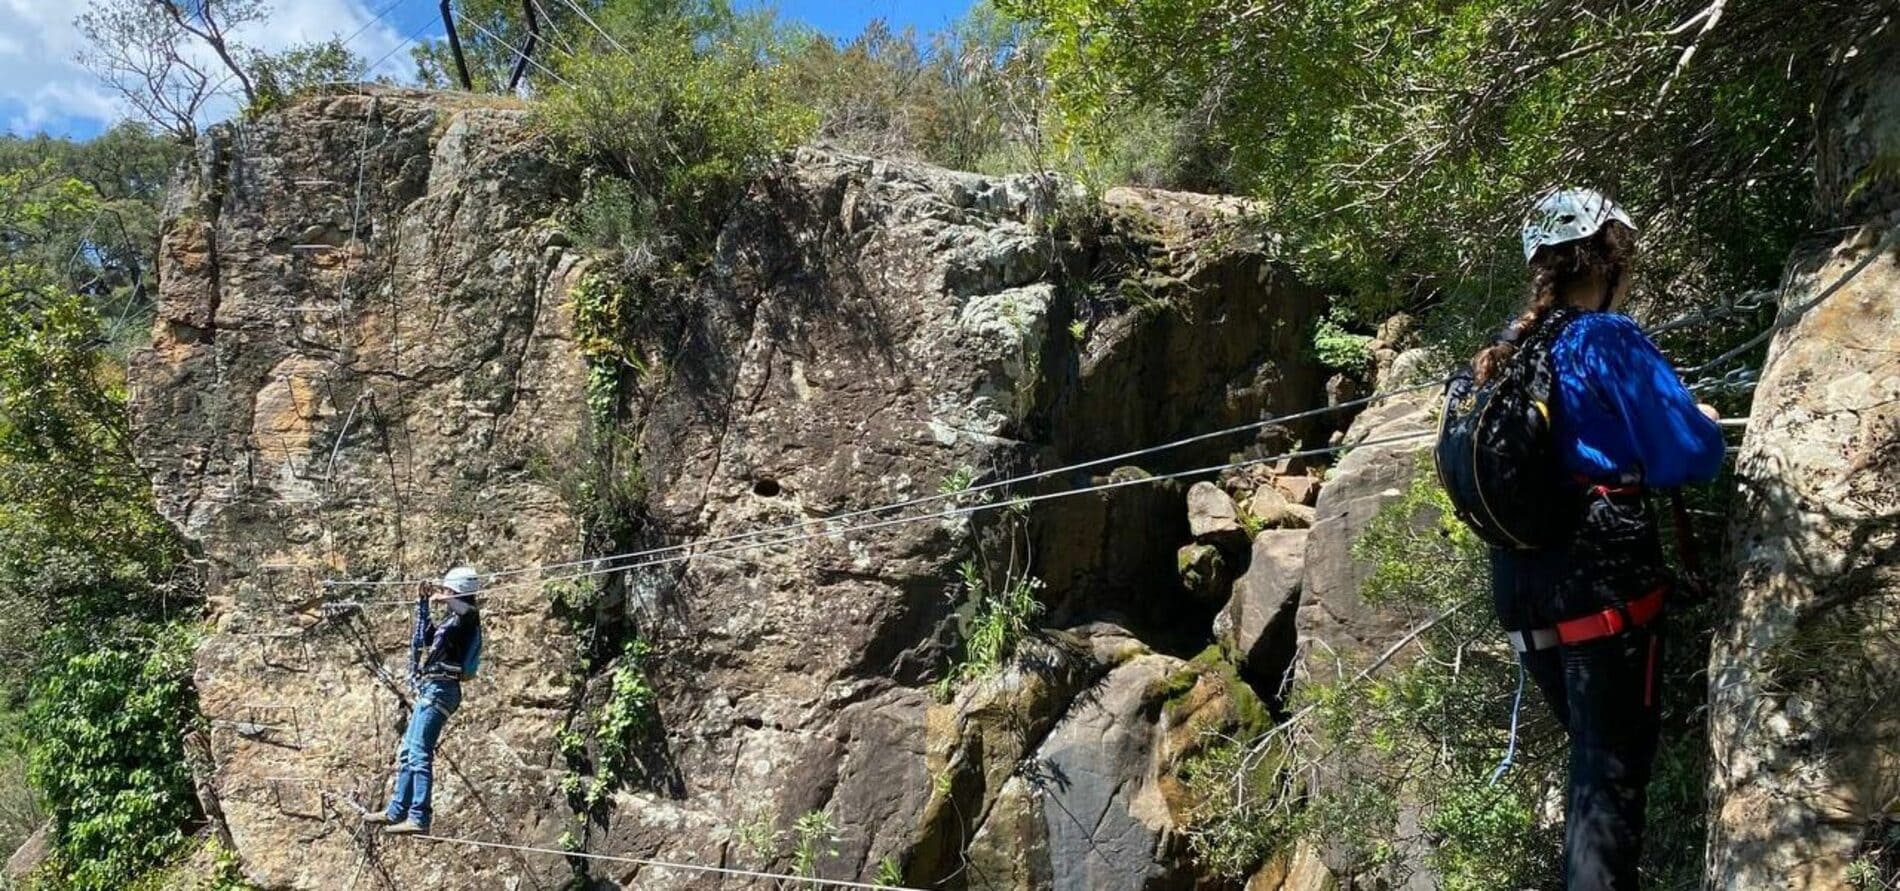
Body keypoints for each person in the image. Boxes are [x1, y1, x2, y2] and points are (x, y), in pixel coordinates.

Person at [1481, 189, 1724, 889]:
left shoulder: (1512, 344)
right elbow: (1691, 455)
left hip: (1525, 595)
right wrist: (1701, 415)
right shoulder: (1605, 338)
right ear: (1610, 254)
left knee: (1593, 771)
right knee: (1609, 785)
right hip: (1603, 590)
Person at [363, 566, 485, 835]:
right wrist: (423, 603)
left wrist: (444, 597)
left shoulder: (467, 620)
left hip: (442, 690)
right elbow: (424, 637)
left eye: (447, 589)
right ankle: (397, 810)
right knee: (408, 752)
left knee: (419, 753)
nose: (442, 594)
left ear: (458, 592)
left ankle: (419, 816)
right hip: (431, 688)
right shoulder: (451, 623)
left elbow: (470, 611)